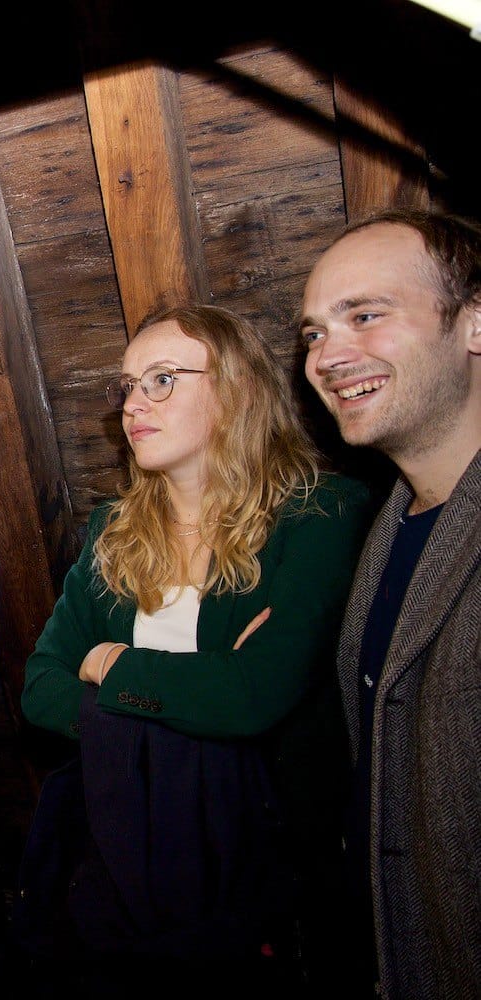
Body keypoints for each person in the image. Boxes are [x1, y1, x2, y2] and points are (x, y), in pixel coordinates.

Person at [19, 304, 371, 996]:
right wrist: (197, 690)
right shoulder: (111, 533)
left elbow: (252, 695)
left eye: (162, 380)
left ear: (235, 387)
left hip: (266, 870)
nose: (133, 404)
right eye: (127, 386)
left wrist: (109, 666)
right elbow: (40, 688)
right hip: (124, 860)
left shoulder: (320, 515)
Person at [299, 209, 481, 1000]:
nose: (328, 356)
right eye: (312, 333)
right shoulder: (387, 529)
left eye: (364, 315)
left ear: (474, 324)